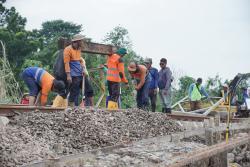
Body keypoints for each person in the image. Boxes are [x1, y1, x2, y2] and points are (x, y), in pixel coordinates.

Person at [64, 34, 85, 107]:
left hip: (79, 72)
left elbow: (80, 60)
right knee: (73, 90)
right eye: (81, 41)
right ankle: (71, 105)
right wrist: (68, 75)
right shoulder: (68, 49)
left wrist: (83, 69)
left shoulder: (79, 49)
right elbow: (66, 63)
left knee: (81, 90)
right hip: (73, 74)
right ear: (77, 41)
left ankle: (75, 104)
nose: (82, 42)